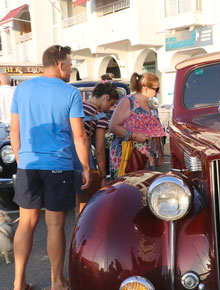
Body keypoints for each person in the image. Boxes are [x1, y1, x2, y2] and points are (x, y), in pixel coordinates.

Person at [10, 45, 91, 290]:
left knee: (26, 223)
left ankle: (18, 283)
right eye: (69, 62)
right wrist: (86, 166)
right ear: (59, 63)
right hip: (58, 166)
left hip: (28, 164)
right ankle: (57, 282)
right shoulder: (70, 93)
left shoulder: (21, 89)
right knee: (55, 225)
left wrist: (20, 158)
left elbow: (15, 130)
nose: (70, 67)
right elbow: (79, 136)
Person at [74, 81, 119, 216]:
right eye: (111, 104)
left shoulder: (77, 107)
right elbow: (99, 150)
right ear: (106, 97)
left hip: (65, 157)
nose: (110, 108)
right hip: (83, 160)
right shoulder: (100, 116)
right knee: (85, 204)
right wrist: (103, 175)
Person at [109, 72, 164, 179]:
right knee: (126, 189)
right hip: (127, 155)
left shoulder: (151, 104)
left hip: (148, 155)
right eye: (156, 89)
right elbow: (113, 126)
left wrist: (160, 152)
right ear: (145, 88)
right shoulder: (128, 101)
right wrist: (135, 136)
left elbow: (155, 129)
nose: (158, 92)